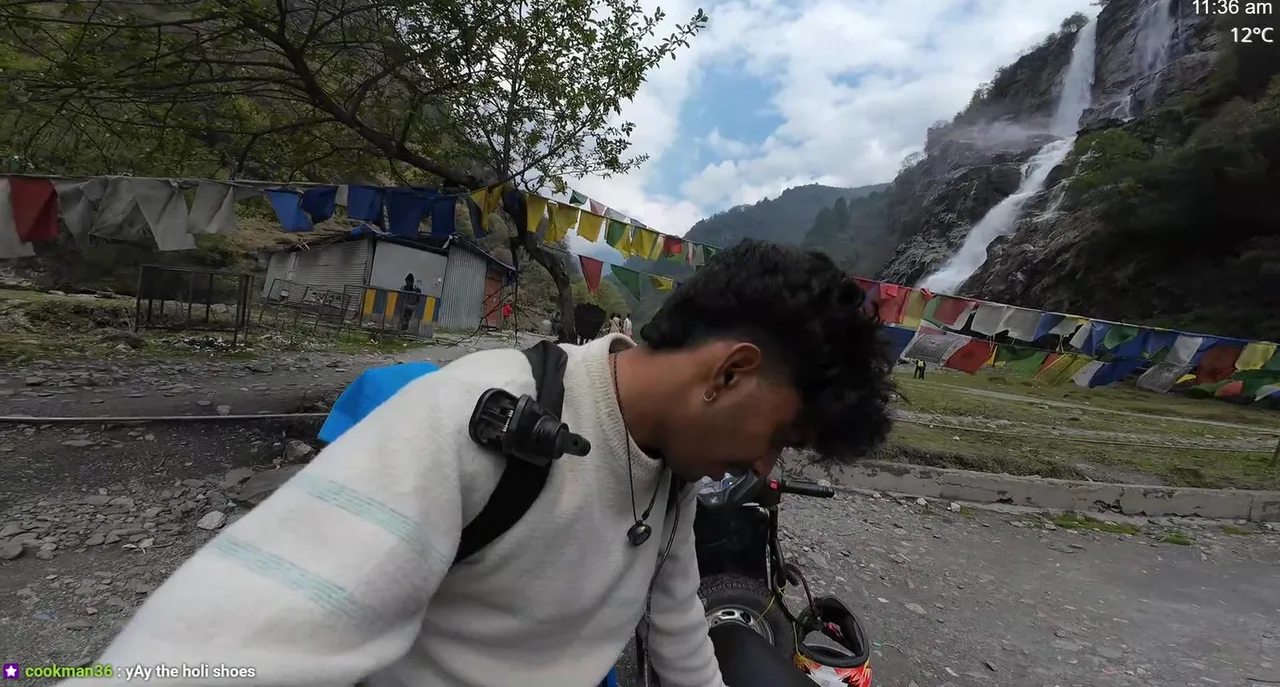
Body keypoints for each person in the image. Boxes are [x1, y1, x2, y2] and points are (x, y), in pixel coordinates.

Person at [66, 240, 894, 687]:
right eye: (779, 435)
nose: (763, 464)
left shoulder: (669, 471)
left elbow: (676, 629)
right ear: (730, 373)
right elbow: (218, 645)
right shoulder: (483, 417)